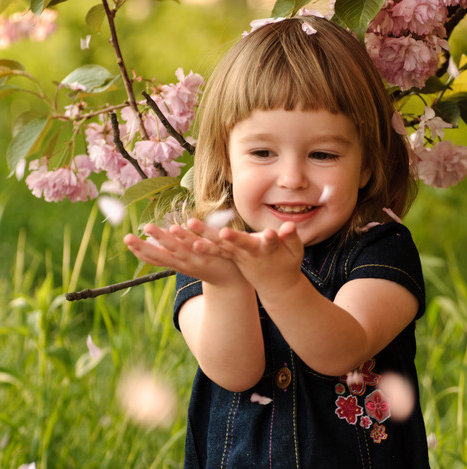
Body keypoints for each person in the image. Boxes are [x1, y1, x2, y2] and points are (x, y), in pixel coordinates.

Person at [124, 15, 430, 468]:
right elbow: (234, 371)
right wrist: (226, 283)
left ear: (366, 165)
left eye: (323, 155)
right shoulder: (210, 256)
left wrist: (283, 286)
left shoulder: (380, 249)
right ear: (226, 161)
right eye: (262, 153)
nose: (292, 179)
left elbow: (343, 350)